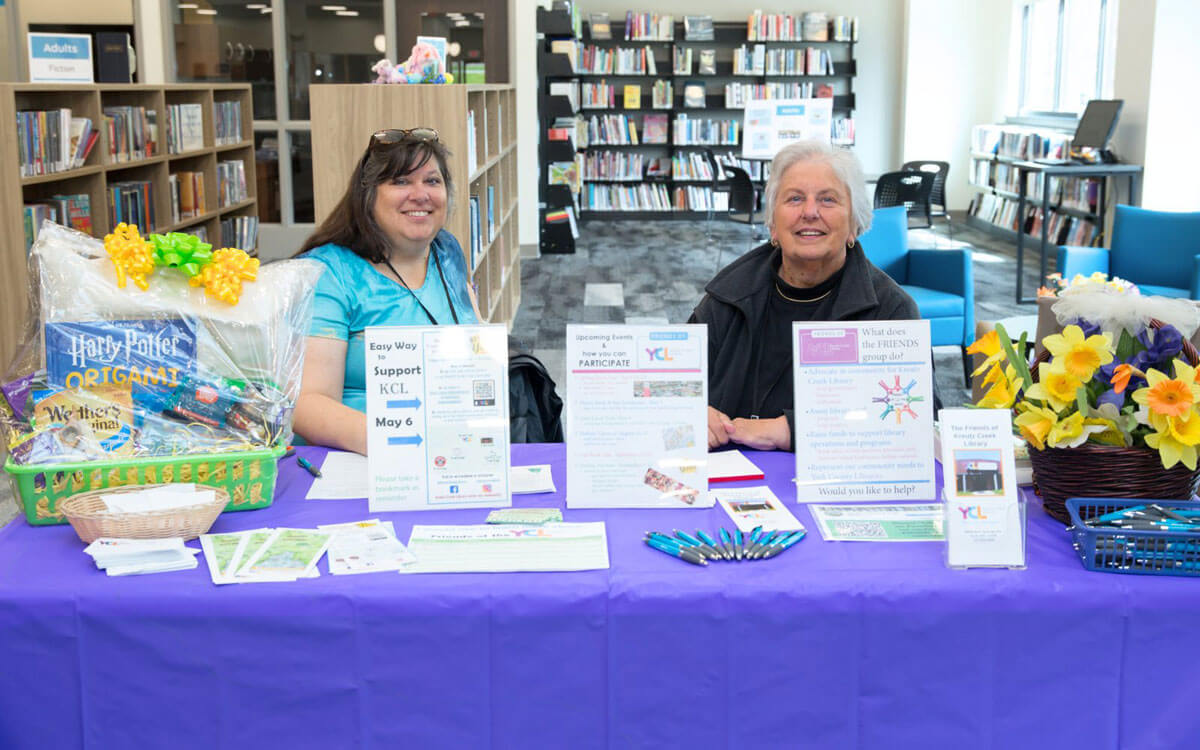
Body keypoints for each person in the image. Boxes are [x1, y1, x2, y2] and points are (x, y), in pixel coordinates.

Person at [690, 139, 921, 451]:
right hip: (727, 479)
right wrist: (689, 413)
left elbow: (914, 421)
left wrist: (792, 430)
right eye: (794, 199)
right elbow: (667, 389)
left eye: (828, 200)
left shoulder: (891, 311)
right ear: (772, 223)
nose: (810, 212)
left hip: (838, 485)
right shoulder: (726, 297)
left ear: (855, 222)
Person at [293, 128, 479, 454]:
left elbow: (475, 339)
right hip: (361, 463)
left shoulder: (447, 250)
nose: (420, 194)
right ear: (368, 195)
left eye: (432, 181)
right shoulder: (327, 273)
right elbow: (307, 404)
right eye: (401, 182)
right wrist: (402, 442)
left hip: (455, 450)